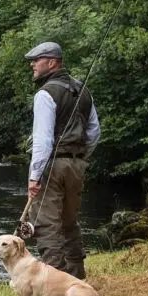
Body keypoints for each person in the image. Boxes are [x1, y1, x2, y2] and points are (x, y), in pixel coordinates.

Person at [23, 41, 100, 280]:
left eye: (37, 60)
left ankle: (54, 286)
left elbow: (43, 140)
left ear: (52, 62)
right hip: (77, 165)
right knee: (69, 223)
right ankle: (77, 278)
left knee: (46, 226)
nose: (33, 65)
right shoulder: (83, 90)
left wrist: (34, 177)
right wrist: (79, 158)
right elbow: (94, 132)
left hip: (52, 167)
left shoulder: (46, 93)